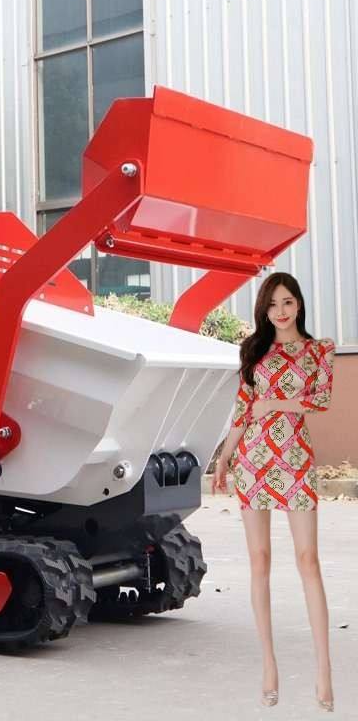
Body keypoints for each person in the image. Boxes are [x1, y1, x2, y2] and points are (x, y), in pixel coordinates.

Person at [212, 272, 336, 712]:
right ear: (264, 311)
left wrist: (277, 403)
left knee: (308, 561)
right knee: (259, 560)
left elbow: (321, 399)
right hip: (253, 460)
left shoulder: (319, 350)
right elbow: (244, 410)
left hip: (295, 460)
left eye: (287, 302)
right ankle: (268, 665)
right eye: (272, 305)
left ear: (298, 304)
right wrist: (224, 457)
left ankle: (324, 670)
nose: (280, 311)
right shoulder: (254, 350)